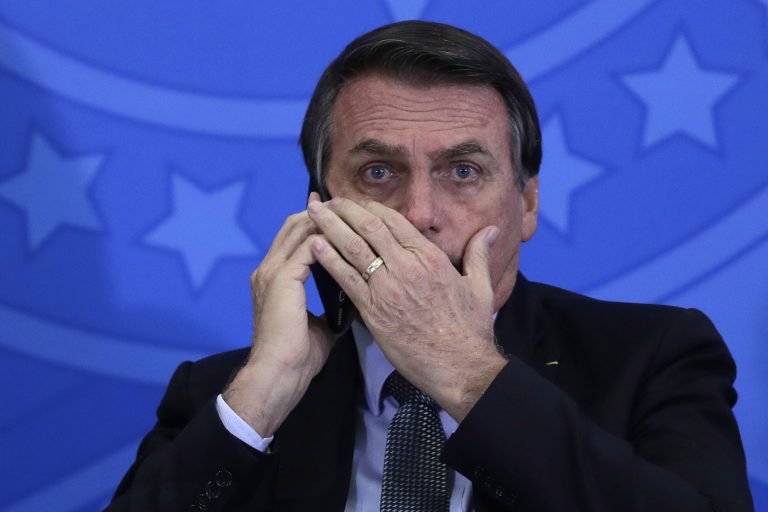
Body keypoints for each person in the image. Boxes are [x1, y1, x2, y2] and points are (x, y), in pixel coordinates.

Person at [107, 20, 753, 511]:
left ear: (526, 203)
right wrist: (262, 398)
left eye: (463, 171)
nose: (419, 214)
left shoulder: (653, 357)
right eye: (378, 172)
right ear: (319, 207)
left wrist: (466, 374)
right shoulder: (222, 396)